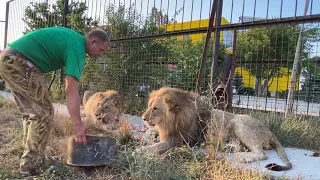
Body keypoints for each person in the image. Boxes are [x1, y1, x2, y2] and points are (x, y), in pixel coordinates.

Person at [0, 26, 111, 176]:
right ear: (93, 41)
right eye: (101, 50)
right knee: (42, 113)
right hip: (20, 62)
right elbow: (71, 91)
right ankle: (31, 166)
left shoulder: (74, 39)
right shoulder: (77, 49)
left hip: (10, 59)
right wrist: (78, 125)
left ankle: (33, 158)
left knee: (32, 113)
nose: (100, 54)